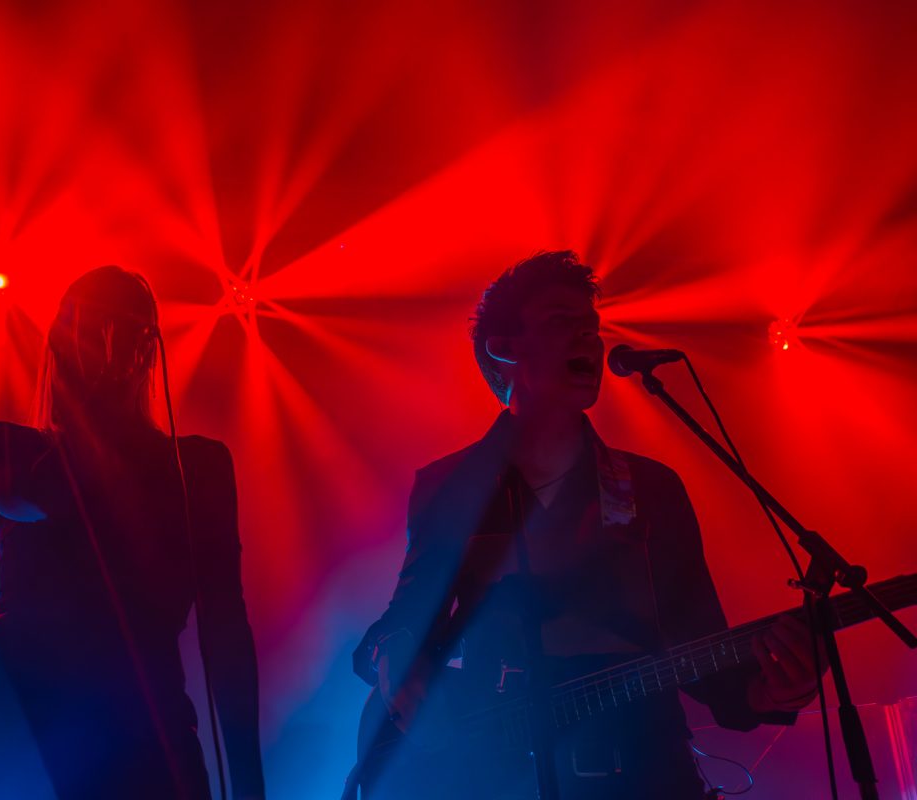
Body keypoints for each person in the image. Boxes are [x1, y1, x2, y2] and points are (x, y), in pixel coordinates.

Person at [351, 251, 825, 799]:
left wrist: (771, 691)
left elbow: (700, 646)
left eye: (592, 327)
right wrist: (395, 656)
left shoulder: (650, 487)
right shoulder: (452, 485)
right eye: (562, 322)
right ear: (503, 349)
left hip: (643, 772)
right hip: (503, 775)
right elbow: (404, 618)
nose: (588, 339)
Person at [0, 266, 265, 800]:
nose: (105, 344)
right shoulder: (8, 448)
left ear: (146, 349)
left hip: (146, 741)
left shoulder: (199, 467)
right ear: (59, 344)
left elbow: (227, 633)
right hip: (15, 735)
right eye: (89, 330)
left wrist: (250, 789)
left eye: (120, 329)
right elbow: (35, 497)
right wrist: (91, 402)